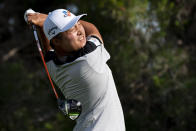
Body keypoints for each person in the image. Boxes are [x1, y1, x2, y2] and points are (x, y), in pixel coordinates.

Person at [27, 9, 125, 131]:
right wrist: (44, 19)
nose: (80, 31)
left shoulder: (54, 67)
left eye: (78, 24)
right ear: (57, 41)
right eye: (72, 29)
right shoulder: (89, 58)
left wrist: (43, 24)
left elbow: (49, 50)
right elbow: (93, 29)